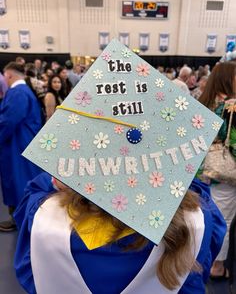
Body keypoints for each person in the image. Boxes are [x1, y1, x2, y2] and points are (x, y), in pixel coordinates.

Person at [14, 172, 226, 294]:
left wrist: (61, 176)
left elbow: (30, 273)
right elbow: (204, 265)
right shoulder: (196, 220)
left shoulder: (46, 220)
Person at [199, 61, 236, 278]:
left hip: (208, 171)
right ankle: (217, 266)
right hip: (226, 173)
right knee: (225, 221)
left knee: (212, 217)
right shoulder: (230, 107)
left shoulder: (205, 103)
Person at [0, 62, 42, 231]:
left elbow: (8, 121)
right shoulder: (24, 92)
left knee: (19, 181)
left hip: (18, 145)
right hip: (22, 142)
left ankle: (20, 220)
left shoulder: (18, 93)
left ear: (9, 75)